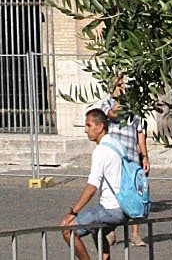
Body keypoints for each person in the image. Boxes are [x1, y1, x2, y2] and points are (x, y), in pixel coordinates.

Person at [62, 106, 127, 260]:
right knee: (95, 227)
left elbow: (92, 187)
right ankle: (105, 257)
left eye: (88, 125)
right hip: (126, 207)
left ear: (100, 127)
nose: (85, 130)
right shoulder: (118, 144)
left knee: (67, 230)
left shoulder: (101, 151)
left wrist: (73, 212)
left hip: (112, 210)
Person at [104, 77, 150, 246]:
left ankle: (136, 234)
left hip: (132, 157)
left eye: (124, 85)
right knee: (114, 194)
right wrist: (120, 101)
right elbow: (112, 114)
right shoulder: (107, 104)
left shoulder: (135, 108)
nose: (123, 88)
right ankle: (111, 231)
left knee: (136, 194)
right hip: (115, 158)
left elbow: (140, 132)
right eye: (119, 85)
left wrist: (144, 156)